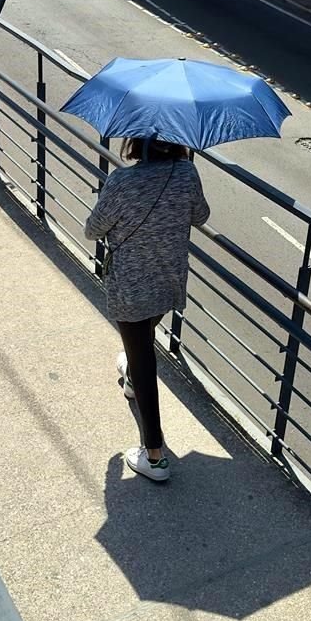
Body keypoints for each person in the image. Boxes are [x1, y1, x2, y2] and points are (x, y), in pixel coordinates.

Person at [85, 137, 210, 482]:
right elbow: (201, 215)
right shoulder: (186, 173)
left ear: (135, 141)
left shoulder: (122, 181)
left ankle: (154, 455)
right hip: (169, 278)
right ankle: (131, 375)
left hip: (131, 285)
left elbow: (93, 229)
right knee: (140, 343)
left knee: (143, 356)